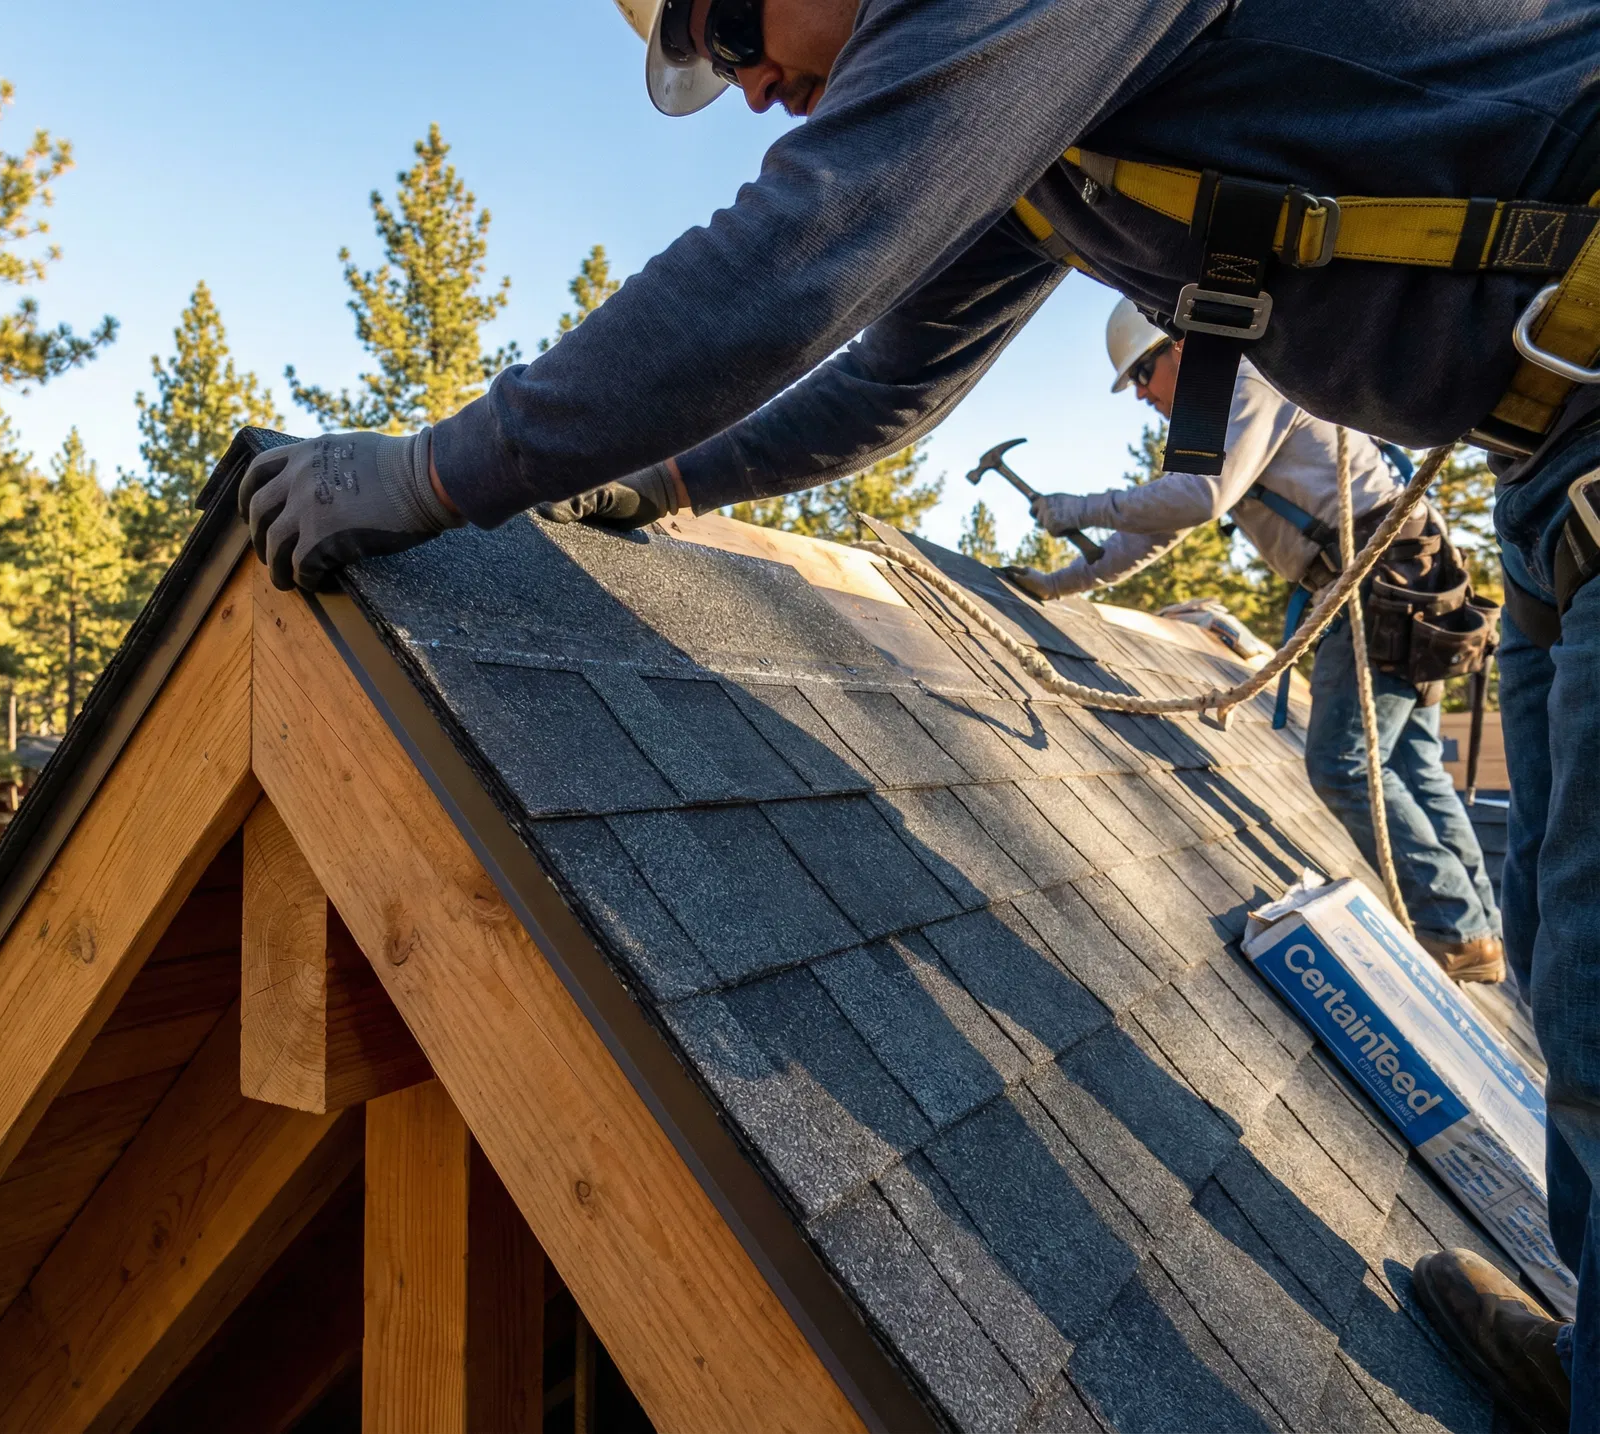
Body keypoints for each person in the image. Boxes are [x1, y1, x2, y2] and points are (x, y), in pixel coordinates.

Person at [236, 0, 1600, 1424]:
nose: (749, 84)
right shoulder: (1043, 128)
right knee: (1563, 940)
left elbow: (806, 252)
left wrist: (442, 473)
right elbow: (891, 381)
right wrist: (672, 480)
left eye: (725, 20)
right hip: (1552, 461)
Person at [1006, 301, 1505, 982]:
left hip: (1379, 575)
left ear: (1179, 348)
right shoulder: (1226, 419)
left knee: (1343, 764)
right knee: (1413, 762)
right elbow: (1152, 532)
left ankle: (1454, 926)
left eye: (1144, 376)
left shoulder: (1252, 380)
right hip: (1405, 573)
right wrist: (1056, 585)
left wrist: (1080, 507)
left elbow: (1204, 496)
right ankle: (1475, 934)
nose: (1144, 397)